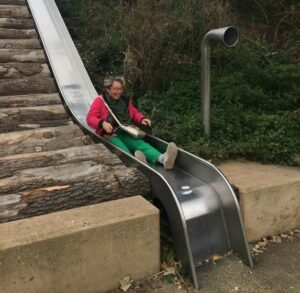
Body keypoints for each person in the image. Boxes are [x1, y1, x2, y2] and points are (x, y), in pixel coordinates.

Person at [86, 76, 178, 169]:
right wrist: (102, 123)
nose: (119, 92)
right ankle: (139, 164)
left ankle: (163, 159)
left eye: (120, 89)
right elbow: (90, 118)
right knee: (123, 150)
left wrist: (142, 119)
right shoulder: (100, 101)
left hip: (124, 129)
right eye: (115, 89)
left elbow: (133, 112)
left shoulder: (123, 101)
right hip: (109, 134)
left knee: (140, 144)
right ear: (108, 89)